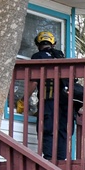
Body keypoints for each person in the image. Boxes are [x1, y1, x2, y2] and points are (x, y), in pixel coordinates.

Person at [30, 31, 74, 160]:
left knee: (47, 130)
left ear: (38, 44)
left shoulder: (38, 57)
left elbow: (33, 81)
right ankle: (61, 162)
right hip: (65, 102)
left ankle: (48, 160)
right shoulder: (60, 57)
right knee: (62, 131)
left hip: (48, 100)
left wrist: (23, 99)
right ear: (53, 44)